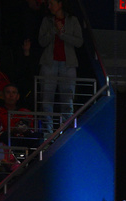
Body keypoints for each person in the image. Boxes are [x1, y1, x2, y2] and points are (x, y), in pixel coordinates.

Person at [38, 0, 83, 133]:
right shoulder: (47, 20)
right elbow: (41, 41)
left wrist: (62, 34)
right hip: (49, 62)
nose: (49, 6)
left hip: (68, 64)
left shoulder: (72, 20)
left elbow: (79, 41)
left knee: (67, 100)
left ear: (60, 4)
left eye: (52, 3)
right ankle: (48, 132)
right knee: (47, 99)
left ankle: (67, 132)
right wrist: (54, 30)